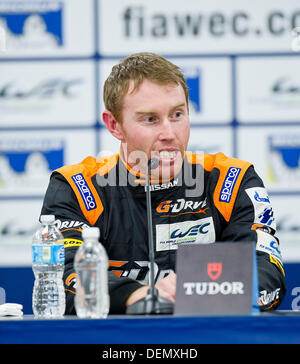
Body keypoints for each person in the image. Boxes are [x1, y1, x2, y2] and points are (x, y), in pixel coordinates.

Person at [41, 52, 286, 314]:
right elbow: (57, 278)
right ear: (115, 125)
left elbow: (266, 273)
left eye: (177, 114)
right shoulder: (77, 187)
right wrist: (139, 295)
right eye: (150, 119)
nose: (169, 134)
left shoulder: (232, 181)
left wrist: (201, 290)